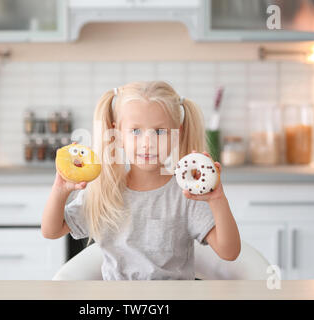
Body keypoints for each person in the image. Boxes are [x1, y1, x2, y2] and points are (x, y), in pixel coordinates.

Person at [41, 81, 240, 280]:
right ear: (117, 134)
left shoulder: (188, 194)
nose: (148, 143)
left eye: (159, 132)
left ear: (176, 134)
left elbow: (229, 252)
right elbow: (51, 230)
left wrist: (217, 199)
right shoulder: (103, 192)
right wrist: (60, 190)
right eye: (136, 131)